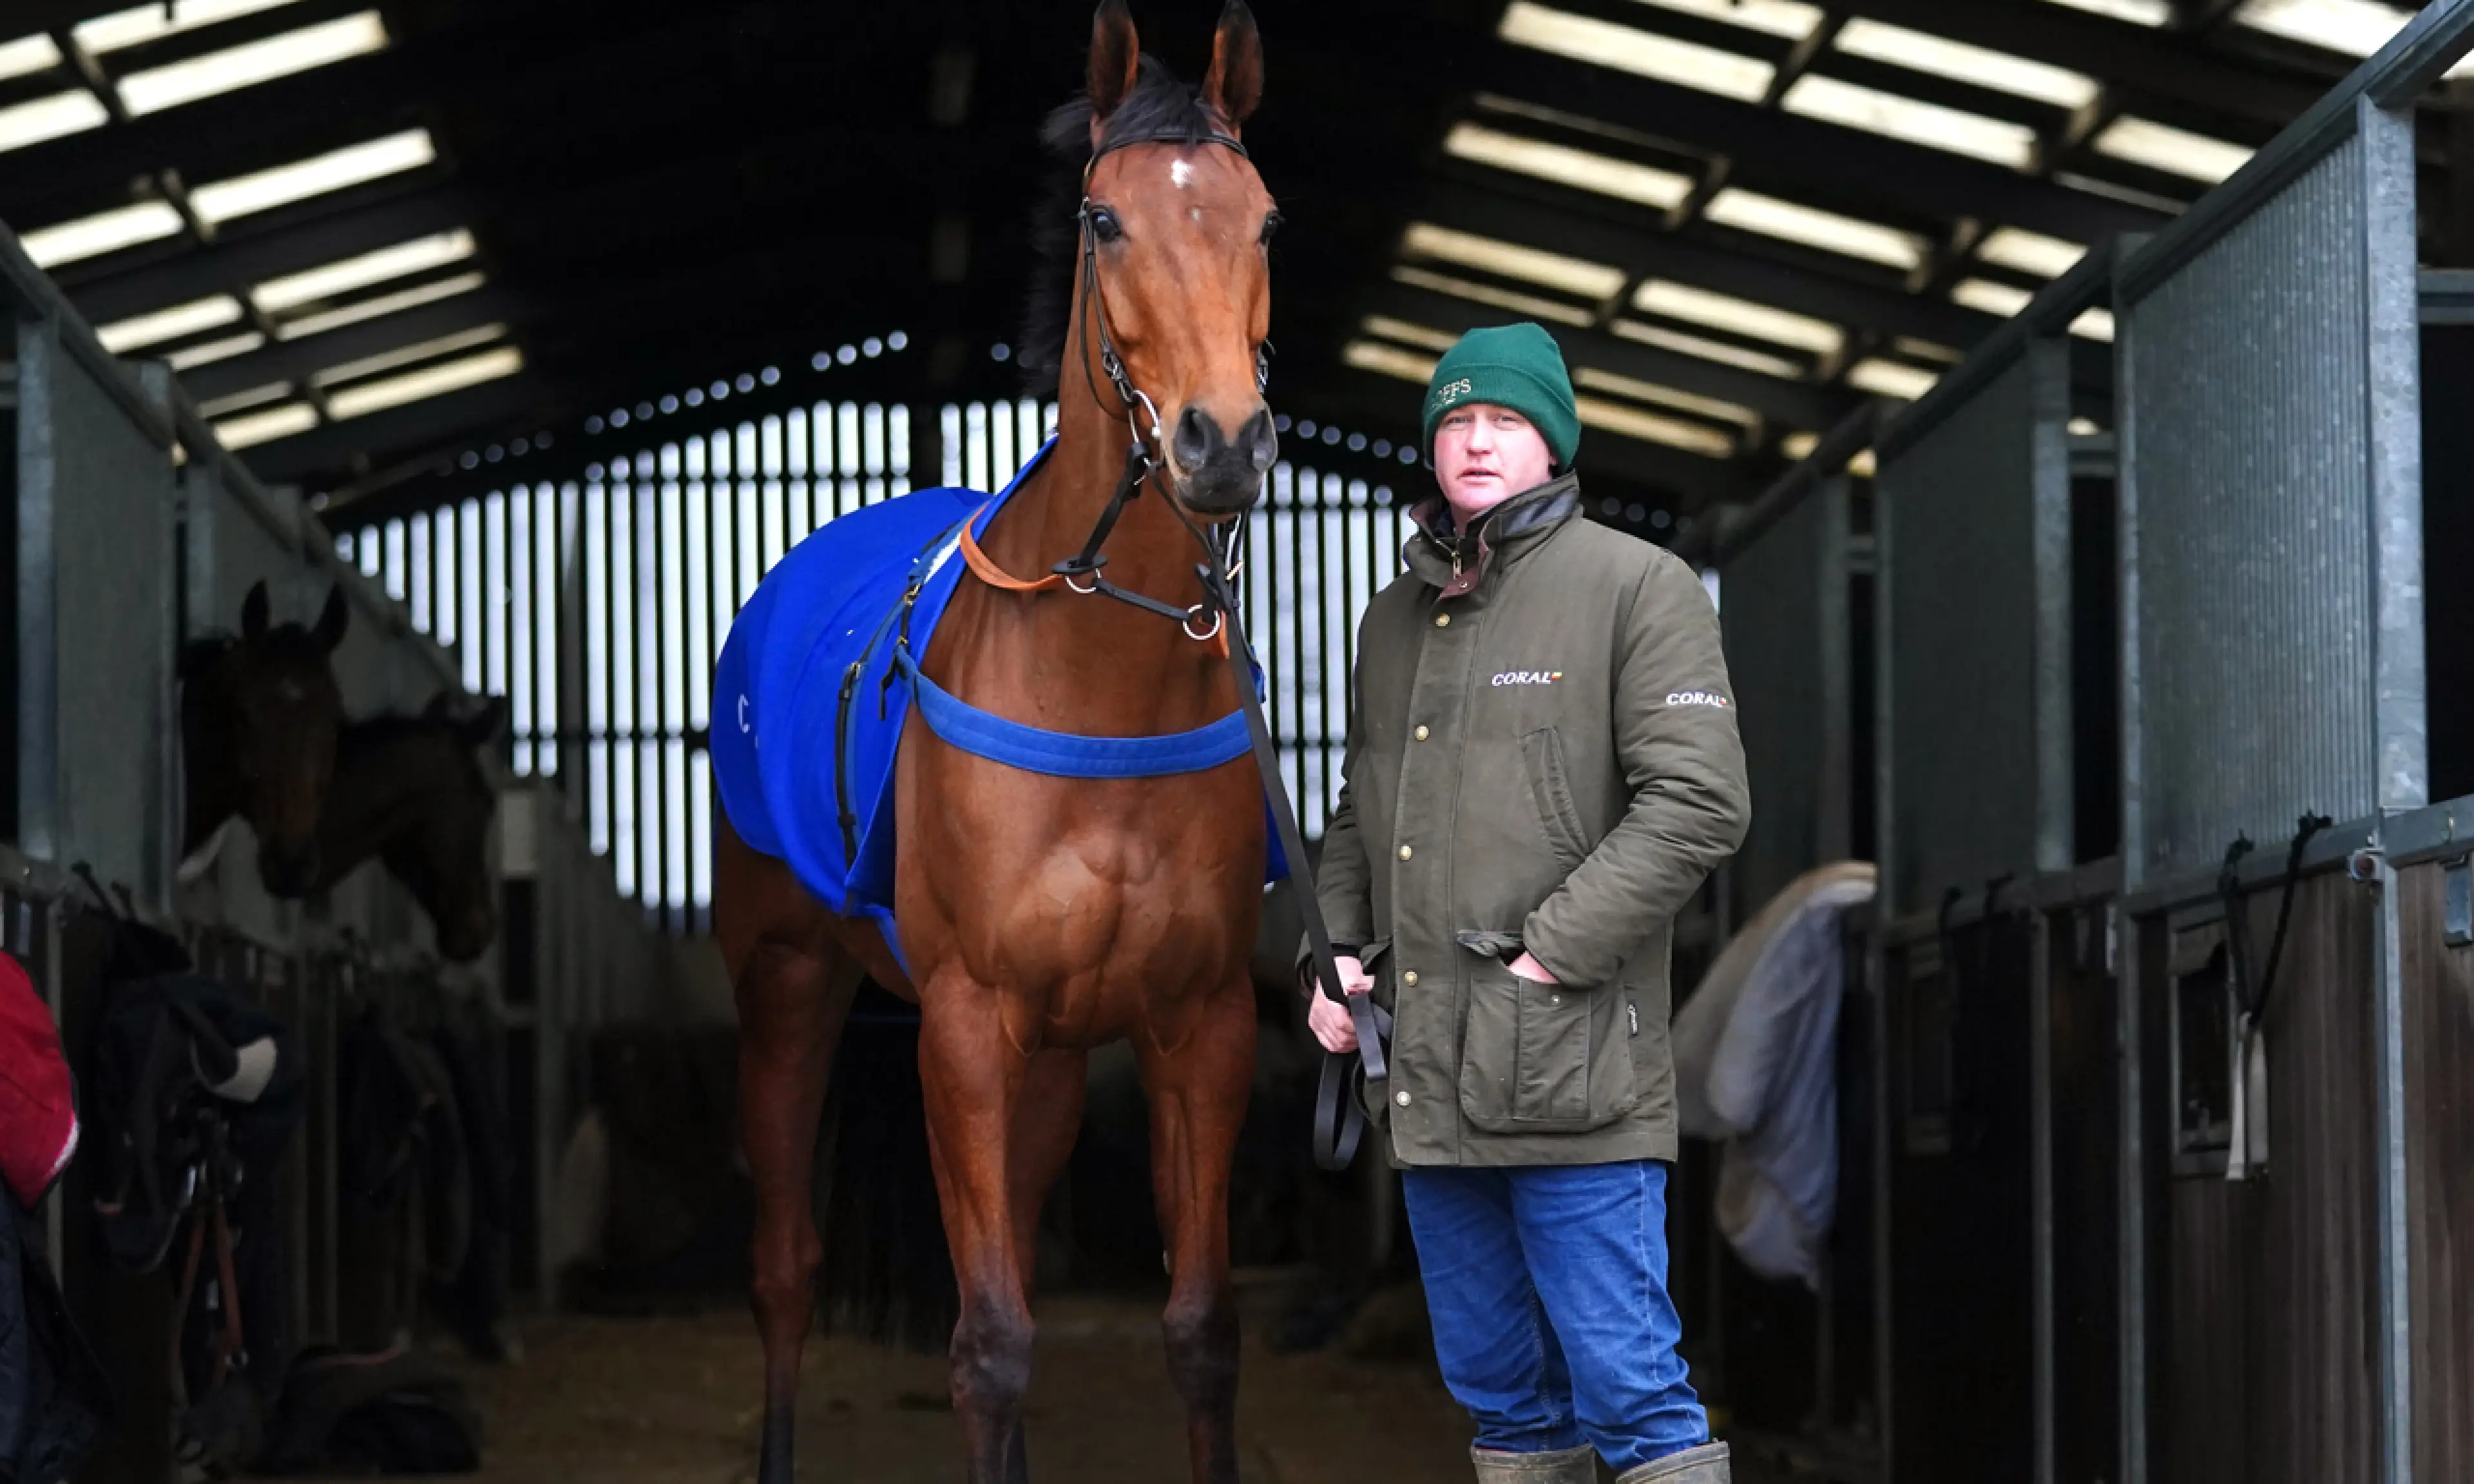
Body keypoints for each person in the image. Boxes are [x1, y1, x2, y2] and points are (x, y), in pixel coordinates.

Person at [1302, 323, 1750, 1484]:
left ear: (1553, 442)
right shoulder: (1392, 619)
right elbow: (1359, 815)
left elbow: (1700, 803)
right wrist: (1339, 952)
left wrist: (1549, 957)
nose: (1477, 442)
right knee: (1503, 1398)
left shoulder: (1633, 586)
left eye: (1504, 420)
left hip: (1573, 1070)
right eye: (1455, 422)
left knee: (1631, 1389)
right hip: (1432, 1086)